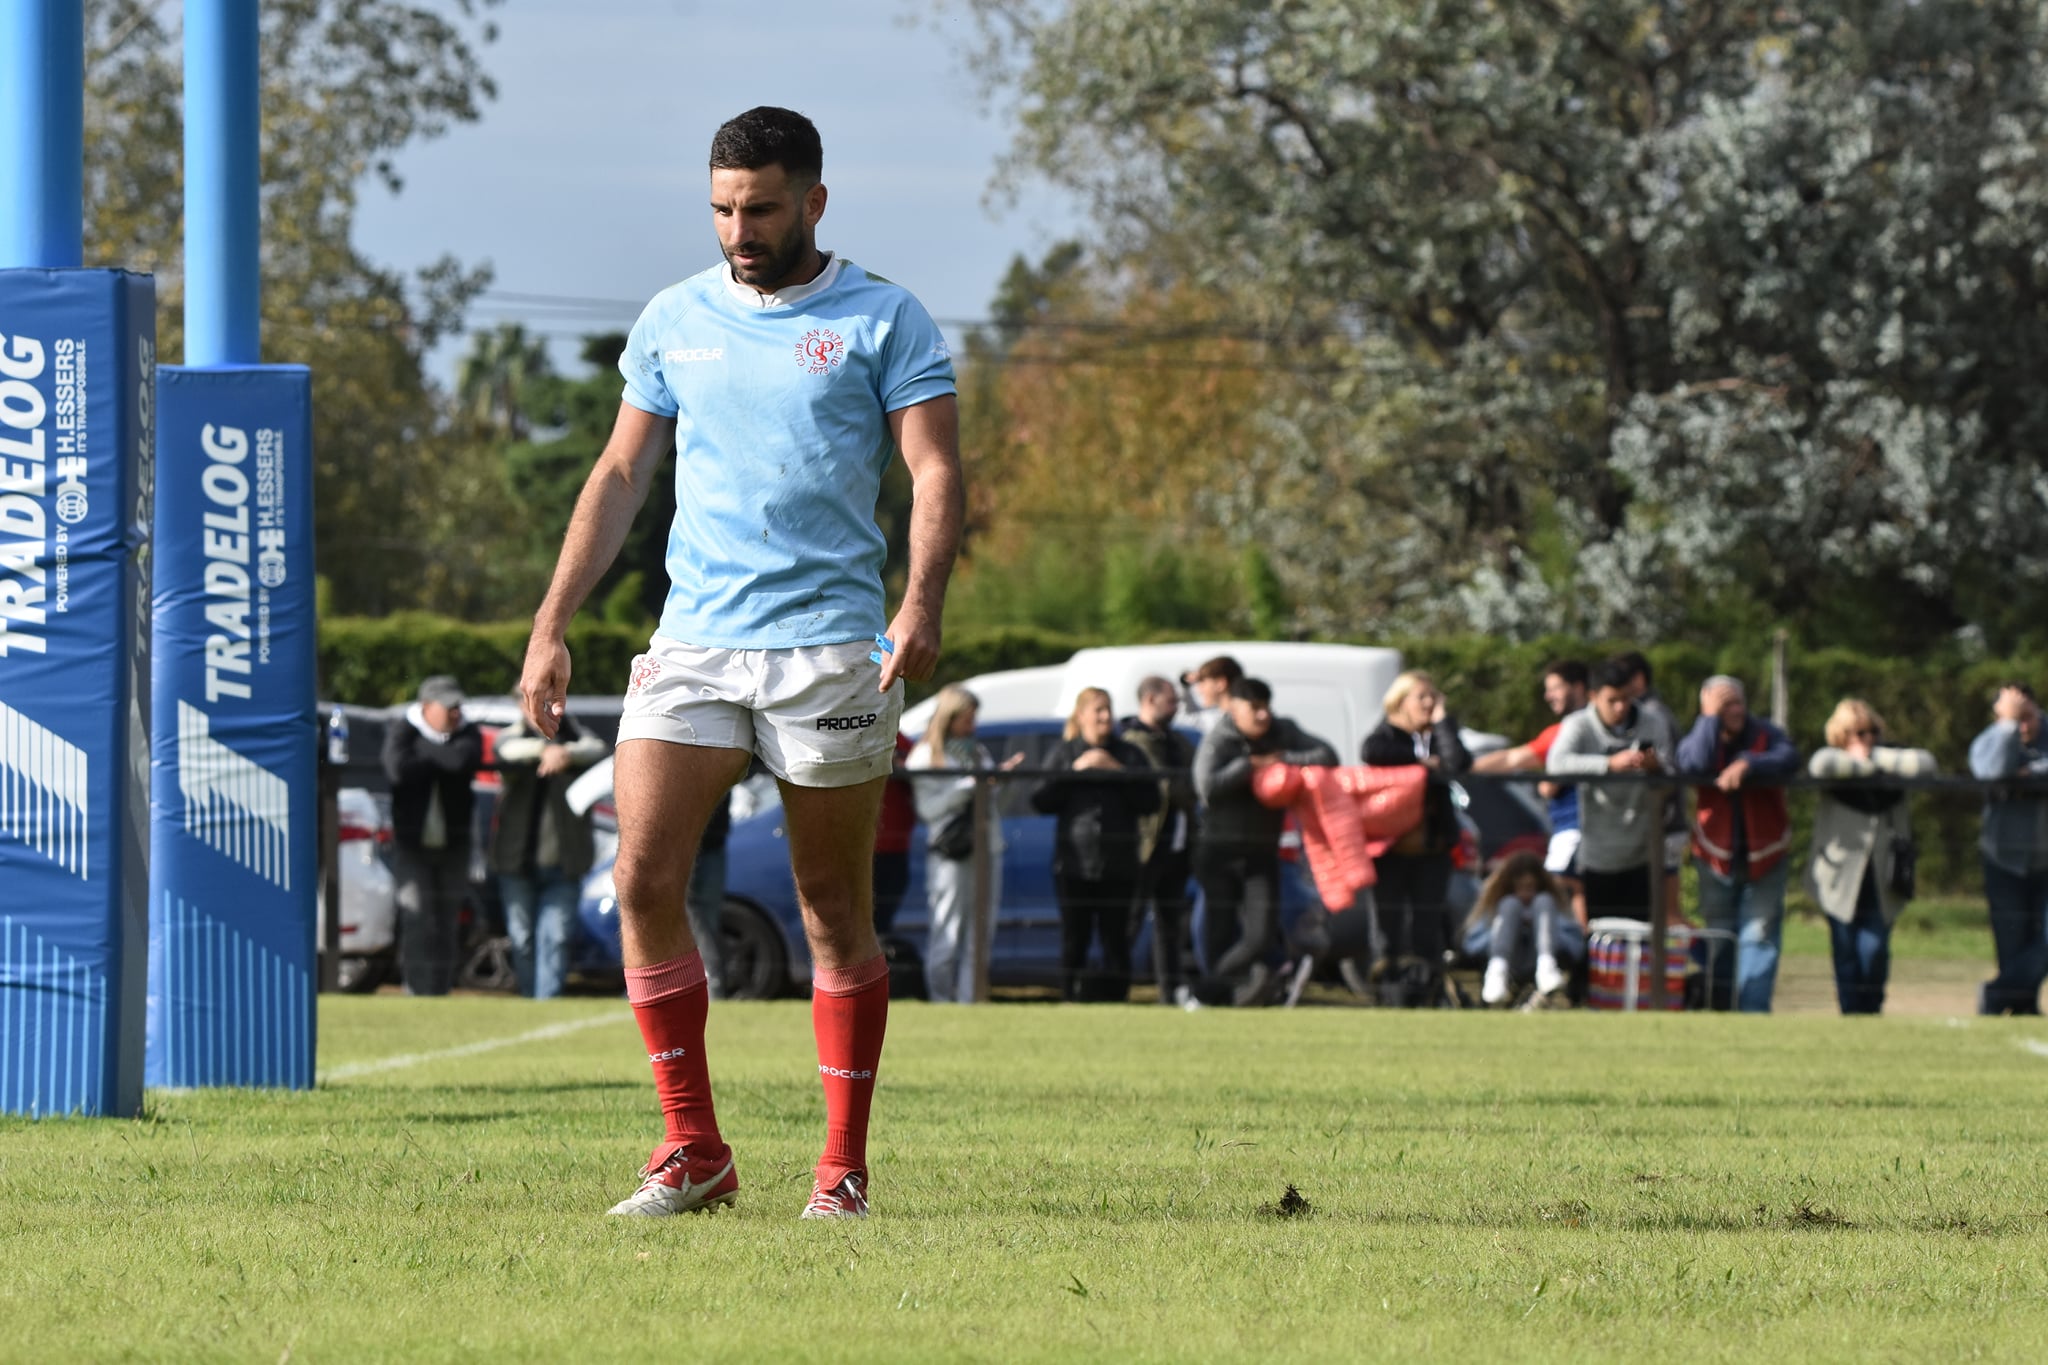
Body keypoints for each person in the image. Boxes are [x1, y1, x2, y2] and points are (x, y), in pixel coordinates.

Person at [516, 107, 963, 1220]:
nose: (737, 230)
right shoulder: (675, 317)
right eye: (721, 208)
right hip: (694, 644)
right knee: (640, 880)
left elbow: (935, 474)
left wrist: (919, 603)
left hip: (829, 650)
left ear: (813, 201)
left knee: (827, 908)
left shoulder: (884, 318)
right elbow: (620, 475)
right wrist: (550, 621)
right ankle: (692, 1152)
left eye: (759, 208)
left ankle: (841, 1171)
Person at [1191, 677, 1338, 1006]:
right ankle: (1219, 1003)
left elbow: (1327, 754)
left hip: (1261, 853)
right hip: (1219, 853)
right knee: (1219, 933)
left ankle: (1204, 994)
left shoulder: (1282, 731)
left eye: (1266, 707)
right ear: (1234, 708)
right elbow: (1206, 786)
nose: (1263, 715)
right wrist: (1250, 766)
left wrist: (1284, 759)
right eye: (1254, 708)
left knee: (1259, 936)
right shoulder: (1221, 739)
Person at [1676, 675, 1799, 1012]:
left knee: (1759, 935)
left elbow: (1789, 757)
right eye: (1722, 703)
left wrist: (1749, 763)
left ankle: (1753, 1014)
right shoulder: (1702, 735)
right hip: (1714, 857)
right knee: (1720, 937)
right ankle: (1720, 1013)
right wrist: (1708, 720)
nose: (1732, 709)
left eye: (1735, 702)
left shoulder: (1765, 734)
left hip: (1767, 854)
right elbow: (1693, 763)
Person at [1808, 700, 1936, 1015]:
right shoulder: (1834, 765)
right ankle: (1851, 1013)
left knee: (1874, 949)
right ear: (1840, 734)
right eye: (1856, 732)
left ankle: (1871, 1008)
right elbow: (1819, 765)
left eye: (1871, 731)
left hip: (1883, 875)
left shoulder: (1892, 761)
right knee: (1845, 951)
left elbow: (1925, 764)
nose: (1866, 737)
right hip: (1840, 876)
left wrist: (1875, 758)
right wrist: (1860, 763)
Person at [1033, 688, 1158, 1002]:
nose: (1105, 717)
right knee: (1075, 936)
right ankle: (1069, 997)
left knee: (1116, 937)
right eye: (1098, 711)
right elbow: (1041, 800)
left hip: (1120, 863)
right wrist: (1075, 771)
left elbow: (1151, 800)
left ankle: (1118, 998)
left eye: (1108, 710)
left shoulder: (1129, 754)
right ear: (1082, 716)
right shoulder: (1065, 752)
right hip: (1074, 863)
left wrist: (1117, 771)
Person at [904, 685, 1020, 1003]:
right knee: (948, 929)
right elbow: (929, 810)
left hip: (986, 847)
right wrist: (969, 786)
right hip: (949, 853)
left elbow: (991, 798)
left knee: (981, 931)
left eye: (974, 719)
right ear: (949, 718)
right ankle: (941, 999)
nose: (972, 726)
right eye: (966, 719)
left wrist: (998, 780)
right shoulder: (925, 755)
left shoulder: (977, 751)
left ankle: (971, 999)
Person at [1360, 670, 1473, 982]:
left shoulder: (1438, 734)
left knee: (1428, 924)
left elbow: (1457, 762)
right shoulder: (1388, 734)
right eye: (1421, 697)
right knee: (1387, 925)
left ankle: (1426, 989)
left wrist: (1443, 722)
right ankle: (1388, 991)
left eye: (1432, 697)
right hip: (1390, 848)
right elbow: (1372, 752)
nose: (1428, 703)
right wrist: (1418, 762)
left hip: (1432, 847)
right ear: (1401, 702)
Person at [1546, 657, 1676, 920]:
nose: (1621, 707)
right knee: (1601, 943)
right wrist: (1608, 764)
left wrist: (1654, 766)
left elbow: (1673, 774)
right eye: (1612, 700)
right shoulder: (1578, 724)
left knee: (1641, 943)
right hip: (1597, 855)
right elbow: (1555, 764)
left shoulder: (1653, 721)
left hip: (1642, 854)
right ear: (1593, 696)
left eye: (1626, 699)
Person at [490, 709, 609, 999]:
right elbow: (503, 750)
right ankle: (531, 998)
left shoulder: (577, 735)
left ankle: (546, 1002)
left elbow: (600, 750)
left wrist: (564, 753)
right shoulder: (512, 736)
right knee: (522, 938)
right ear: (521, 705)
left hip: (564, 864)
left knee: (556, 938)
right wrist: (544, 750)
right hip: (515, 863)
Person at [382, 675, 485, 996]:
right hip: (412, 846)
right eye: (448, 707)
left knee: (447, 921)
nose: (456, 713)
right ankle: (415, 989)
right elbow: (398, 769)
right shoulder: (402, 730)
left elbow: (460, 761)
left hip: (454, 846)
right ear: (426, 707)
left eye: (458, 707)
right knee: (417, 919)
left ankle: (440, 990)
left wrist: (424, 753)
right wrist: (438, 751)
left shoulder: (468, 732)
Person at [1471, 660, 1590, 920]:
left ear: (1578, 687)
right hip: (1594, 830)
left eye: (1555, 688)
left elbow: (1517, 763)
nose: (1548, 696)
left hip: (1575, 829)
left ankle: (1581, 957)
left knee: (1563, 890)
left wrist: (1467, 766)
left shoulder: (1570, 729)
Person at [1968, 683, 2048, 1015]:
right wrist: (2007, 728)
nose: (2023, 726)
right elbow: (1992, 771)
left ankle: (1996, 995)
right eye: (2015, 718)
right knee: (2012, 944)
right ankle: (2022, 1006)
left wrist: (2032, 772)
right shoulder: (1991, 739)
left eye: (2026, 717)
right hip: (2003, 860)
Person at [1119, 676, 1199, 1005]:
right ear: (1149, 700)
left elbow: (1196, 783)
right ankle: (1116, 988)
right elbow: (1169, 788)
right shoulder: (1133, 741)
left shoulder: (1176, 741)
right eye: (1171, 700)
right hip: (1145, 845)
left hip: (1177, 843)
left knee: (1171, 924)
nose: (1177, 706)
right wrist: (1184, 788)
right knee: (1131, 919)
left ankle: (1171, 991)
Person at [1461, 852, 1583, 1005]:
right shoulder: (1496, 902)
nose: (1525, 894)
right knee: (1510, 905)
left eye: (1530, 887)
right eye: (1520, 887)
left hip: (1542, 955)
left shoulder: (1550, 901)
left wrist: (1540, 924)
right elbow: (1472, 944)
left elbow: (1575, 945)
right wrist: (1509, 925)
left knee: (1543, 902)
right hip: (1504, 956)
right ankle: (1497, 971)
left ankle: (1547, 966)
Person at [685, 794, 733, 997]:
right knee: (695, 917)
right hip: (684, 845)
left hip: (712, 843)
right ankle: (709, 984)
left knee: (703, 920)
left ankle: (710, 984)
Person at [871, 732, 916, 938]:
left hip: (895, 848)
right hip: (861, 849)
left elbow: (918, 765)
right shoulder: (853, 728)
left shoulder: (902, 740)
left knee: (882, 922)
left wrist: (899, 763)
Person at [1181, 655, 1243, 735]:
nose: (1199, 690)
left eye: (1202, 682)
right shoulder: (1214, 718)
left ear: (1220, 684)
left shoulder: (1242, 719)